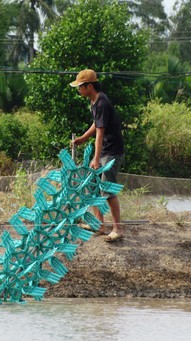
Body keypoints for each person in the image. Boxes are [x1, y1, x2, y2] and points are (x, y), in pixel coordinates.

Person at [70, 69, 124, 242]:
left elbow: (100, 133)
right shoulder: (94, 102)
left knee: (107, 189)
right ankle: (99, 225)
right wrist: (83, 138)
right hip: (105, 150)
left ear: (89, 86)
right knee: (91, 185)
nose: (78, 89)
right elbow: (96, 124)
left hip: (112, 151)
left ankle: (117, 229)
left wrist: (95, 158)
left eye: (80, 86)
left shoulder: (102, 103)